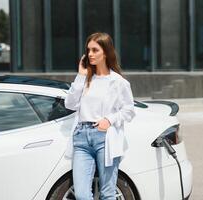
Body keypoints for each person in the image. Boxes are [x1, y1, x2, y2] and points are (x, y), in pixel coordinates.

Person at [64, 32, 135, 200]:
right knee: (81, 195)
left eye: (95, 50)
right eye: (88, 50)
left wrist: (109, 120)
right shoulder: (86, 79)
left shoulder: (118, 82)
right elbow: (70, 104)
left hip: (105, 138)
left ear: (106, 52)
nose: (90, 54)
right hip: (81, 139)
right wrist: (80, 76)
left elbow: (129, 110)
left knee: (107, 193)